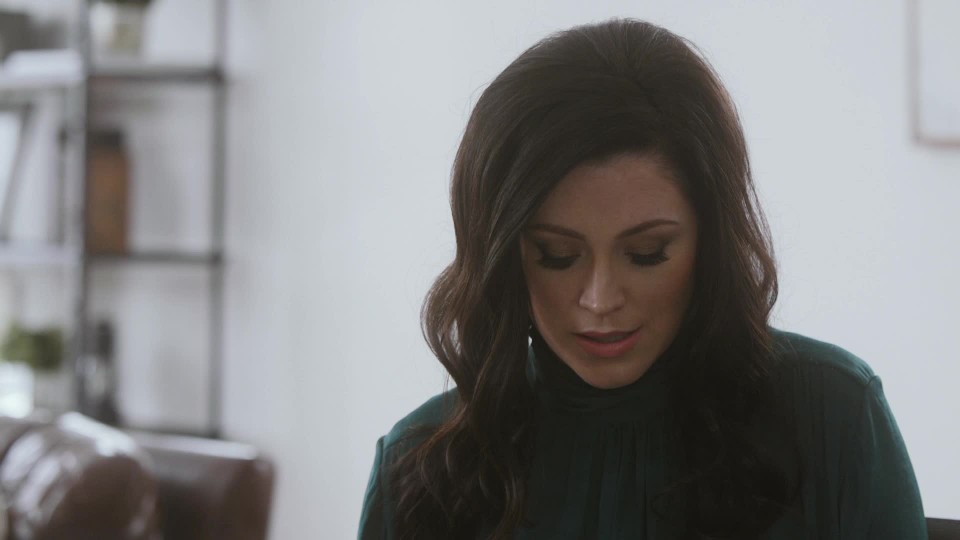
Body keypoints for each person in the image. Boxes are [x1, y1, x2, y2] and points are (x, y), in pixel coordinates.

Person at [358, 18, 927, 540]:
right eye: (557, 255)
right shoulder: (419, 468)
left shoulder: (833, 417)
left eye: (647, 254)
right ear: (502, 254)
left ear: (710, 241)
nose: (600, 300)